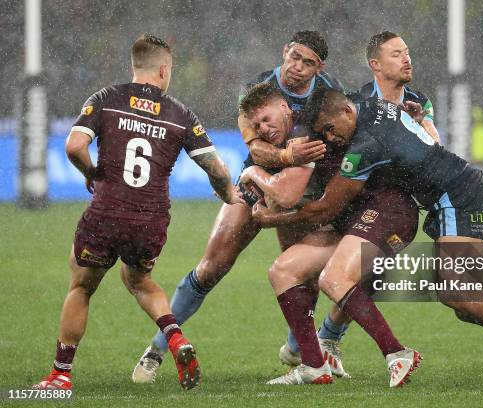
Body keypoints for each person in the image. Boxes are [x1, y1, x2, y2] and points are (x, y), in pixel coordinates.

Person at [253, 88, 483, 385]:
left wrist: (273, 219)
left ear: (346, 111)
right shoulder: (369, 105)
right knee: (463, 302)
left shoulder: (364, 145)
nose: (329, 138)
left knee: (460, 294)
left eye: (329, 129)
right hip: (454, 192)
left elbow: (327, 209)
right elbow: (398, 113)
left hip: (455, 195)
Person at [131, 31, 351, 383]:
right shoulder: (257, 86)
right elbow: (256, 146)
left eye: (307, 62)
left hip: (302, 187)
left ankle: (299, 349)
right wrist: (284, 155)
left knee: (302, 275)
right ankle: (158, 348)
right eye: (293, 56)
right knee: (212, 266)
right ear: (285, 50)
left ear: (319, 67)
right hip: (255, 180)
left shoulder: (330, 92)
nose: (296, 67)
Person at [32, 34, 242, 391]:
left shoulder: (107, 99)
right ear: (164, 70)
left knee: (82, 285)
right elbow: (219, 171)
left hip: (107, 211)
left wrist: (92, 174)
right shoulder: (180, 114)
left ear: (137, 67)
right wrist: (228, 196)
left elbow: (74, 146)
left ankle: (60, 375)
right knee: (140, 281)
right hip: (151, 218)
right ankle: (175, 338)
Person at [277, 31, 445, 368]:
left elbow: (434, 150)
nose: (407, 59)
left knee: (357, 277)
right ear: (375, 64)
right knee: (318, 273)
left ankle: (325, 344)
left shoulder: (417, 100)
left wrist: (421, 123)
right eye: (397, 53)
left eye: (407, 52)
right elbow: (330, 148)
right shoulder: (357, 102)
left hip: (392, 207)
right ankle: (318, 346)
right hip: (352, 205)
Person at [238, 82, 420, 384]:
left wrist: (252, 173)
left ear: (284, 108)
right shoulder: (304, 132)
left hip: (385, 214)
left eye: (266, 119)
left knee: (333, 279)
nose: (263, 129)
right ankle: (314, 365)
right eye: (256, 126)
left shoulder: (304, 134)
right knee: (283, 271)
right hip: (349, 221)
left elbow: (285, 194)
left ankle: (395, 352)